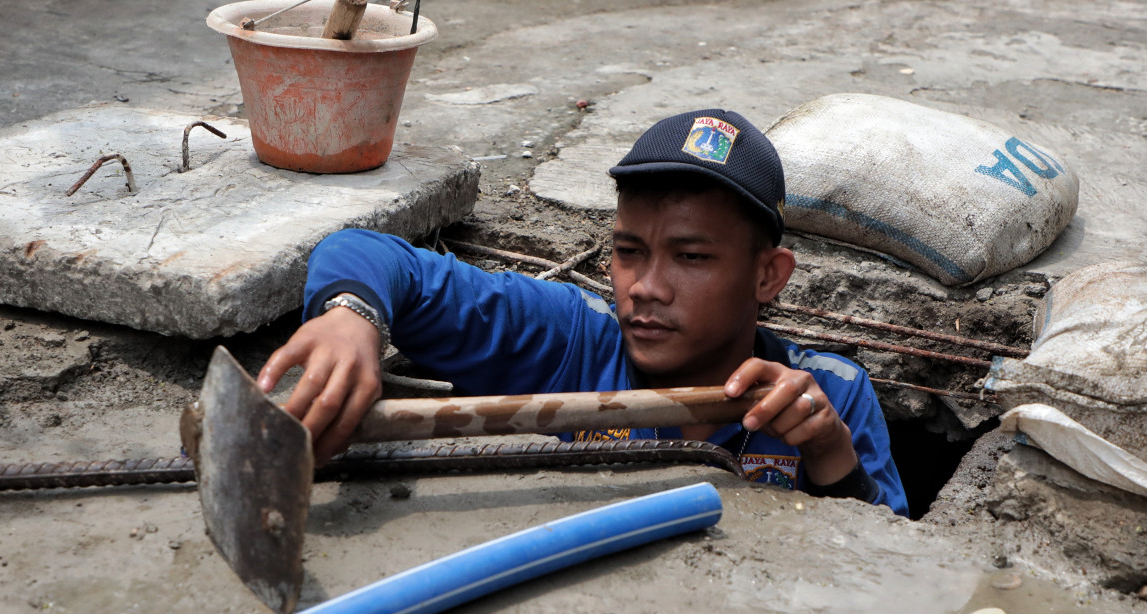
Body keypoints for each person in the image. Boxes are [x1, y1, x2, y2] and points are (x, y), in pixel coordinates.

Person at [256, 109, 909, 516]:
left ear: (768, 275)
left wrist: (827, 451)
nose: (645, 286)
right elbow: (364, 250)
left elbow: (883, 573)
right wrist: (349, 317)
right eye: (629, 251)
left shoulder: (834, 396)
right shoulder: (569, 338)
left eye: (691, 257)